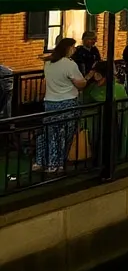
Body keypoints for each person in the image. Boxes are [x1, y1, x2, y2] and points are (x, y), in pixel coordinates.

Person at [34, 38, 87, 174]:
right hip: (67, 102)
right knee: (65, 134)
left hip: (50, 102)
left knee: (51, 133)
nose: (74, 50)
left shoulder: (49, 63)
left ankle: (48, 163)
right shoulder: (69, 65)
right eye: (73, 47)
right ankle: (59, 163)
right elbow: (80, 84)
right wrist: (88, 78)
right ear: (68, 48)